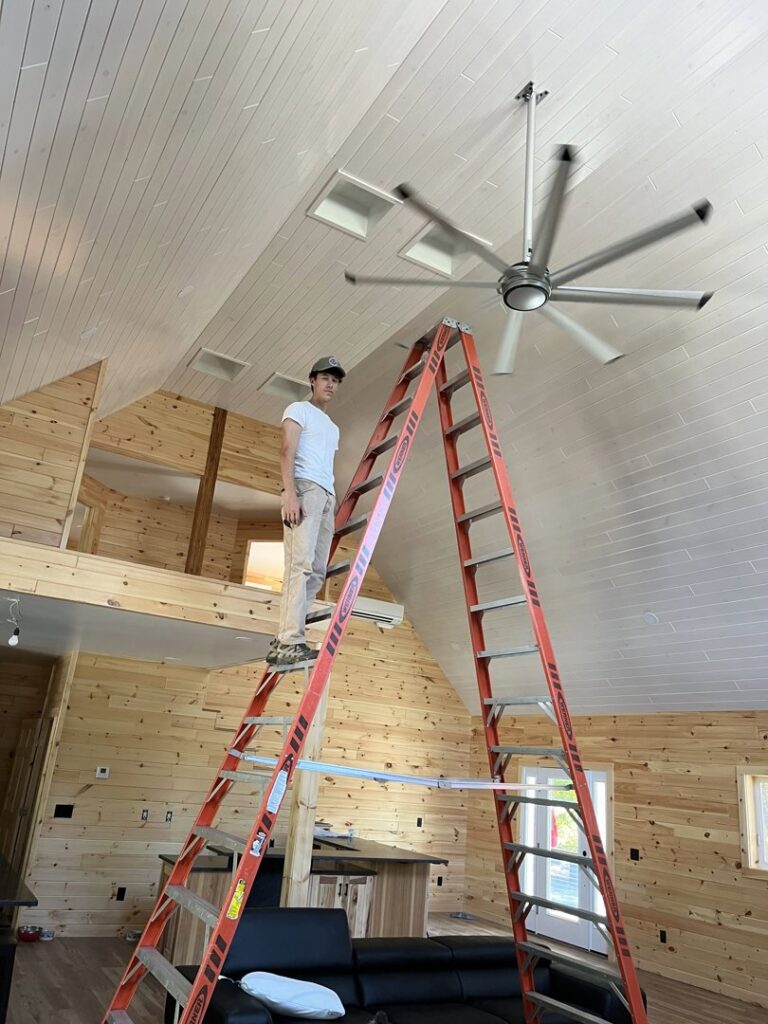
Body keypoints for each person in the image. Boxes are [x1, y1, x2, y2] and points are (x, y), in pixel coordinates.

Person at [267, 356, 346, 666]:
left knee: (316, 571)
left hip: (327, 494)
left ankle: (287, 637)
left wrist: (332, 499)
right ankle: (289, 640)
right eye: (325, 378)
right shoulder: (298, 409)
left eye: (335, 380)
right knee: (299, 564)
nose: (330, 384)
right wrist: (289, 494)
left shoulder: (332, 426)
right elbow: (287, 450)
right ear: (312, 380)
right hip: (304, 488)